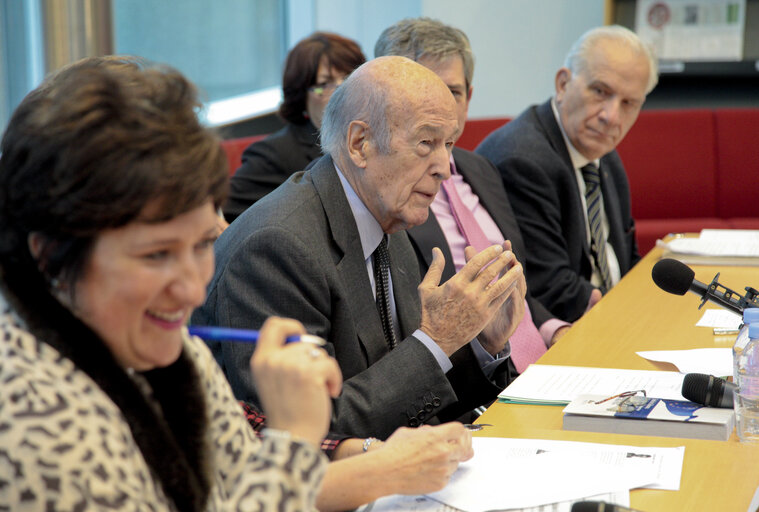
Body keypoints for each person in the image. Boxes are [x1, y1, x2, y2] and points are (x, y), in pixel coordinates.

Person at [0, 56, 472, 512]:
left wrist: (371, 458)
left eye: (204, 243)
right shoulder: (26, 419)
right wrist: (294, 440)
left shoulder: (160, 346)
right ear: (51, 254)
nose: (190, 291)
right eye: (157, 255)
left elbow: (238, 478)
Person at [193, 56, 525, 440]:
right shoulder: (277, 247)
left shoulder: (387, 216)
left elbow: (409, 391)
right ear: (360, 144)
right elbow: (314, 435)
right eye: (426, 143)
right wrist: (437, 341)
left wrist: (482, 340)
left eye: (449, 144)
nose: (445, 167)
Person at [374, 17, 570, 372]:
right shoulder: (385, 195)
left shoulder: (480, 169)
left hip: (544, 366)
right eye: (422, 92)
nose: (438, 107)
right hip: (467, 388)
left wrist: (554, 329)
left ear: (469, 98)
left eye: (451, 92)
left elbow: (512, 281)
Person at [476, 25, 658, 322]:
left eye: (628, 103)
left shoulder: (603, 155)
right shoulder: (523, 160)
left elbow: (626, 258)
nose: (611, 117)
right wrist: (633, 315)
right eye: (600, 91)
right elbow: (550, 289)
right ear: (563, 84)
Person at [223, 32, 366, 222]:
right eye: (324, 84)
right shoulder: (274, 155)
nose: (341, 93)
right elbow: (221, 214)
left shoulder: (370, 140)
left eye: (348, 79)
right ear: (301, 97)